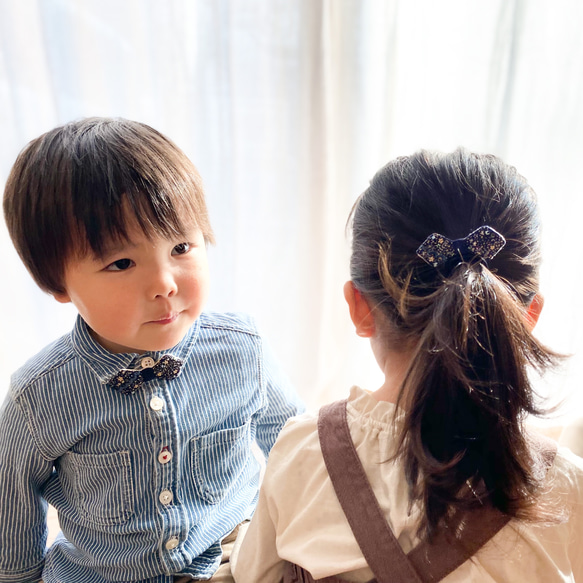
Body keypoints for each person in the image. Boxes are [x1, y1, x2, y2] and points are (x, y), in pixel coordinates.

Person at [231, 149, 583, 582]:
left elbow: (256, 575)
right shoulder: (567, 487)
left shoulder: (305, 453)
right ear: (528, 317)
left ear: (358, 306)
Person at [0, 117, 304, 583]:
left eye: (181, 246)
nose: (164, 283)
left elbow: (296, 449)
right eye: (121, 262)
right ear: (57, 282)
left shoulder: (243, 350)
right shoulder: (35, 398)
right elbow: (13, 525)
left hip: (231, 561)